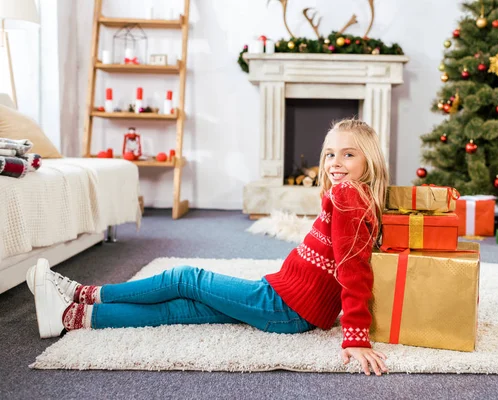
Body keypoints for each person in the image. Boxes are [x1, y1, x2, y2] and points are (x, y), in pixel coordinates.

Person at [30, 119, 390, 375]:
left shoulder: (347, 198)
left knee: (187, 278)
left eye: (348, 156)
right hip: (283, 297)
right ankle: (70, 316)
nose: (335, 164)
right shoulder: (353, 197)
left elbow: (353, 270)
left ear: (368, 162)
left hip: (284, 307)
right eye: (329, 155)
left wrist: (355, 336)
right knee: (182, 310)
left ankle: (85, 293)